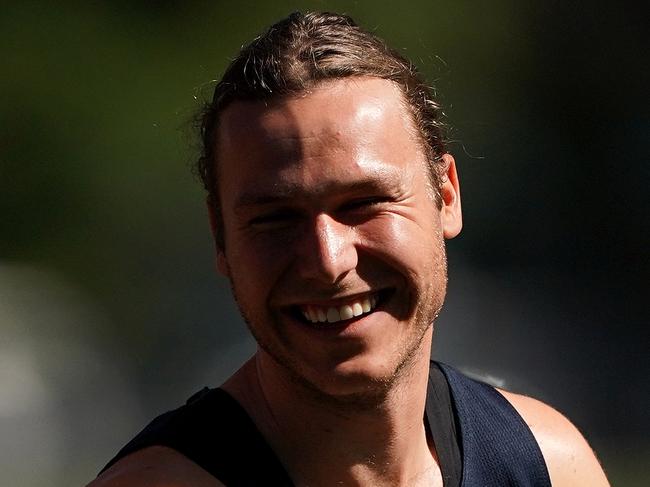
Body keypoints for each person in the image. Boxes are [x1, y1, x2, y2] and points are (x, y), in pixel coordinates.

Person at [90, 11, 609, 487]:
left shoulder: (543, 466)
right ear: (220, 236)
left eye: (364, 202)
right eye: (275, 218)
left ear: (446, 196)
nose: (327, 261)